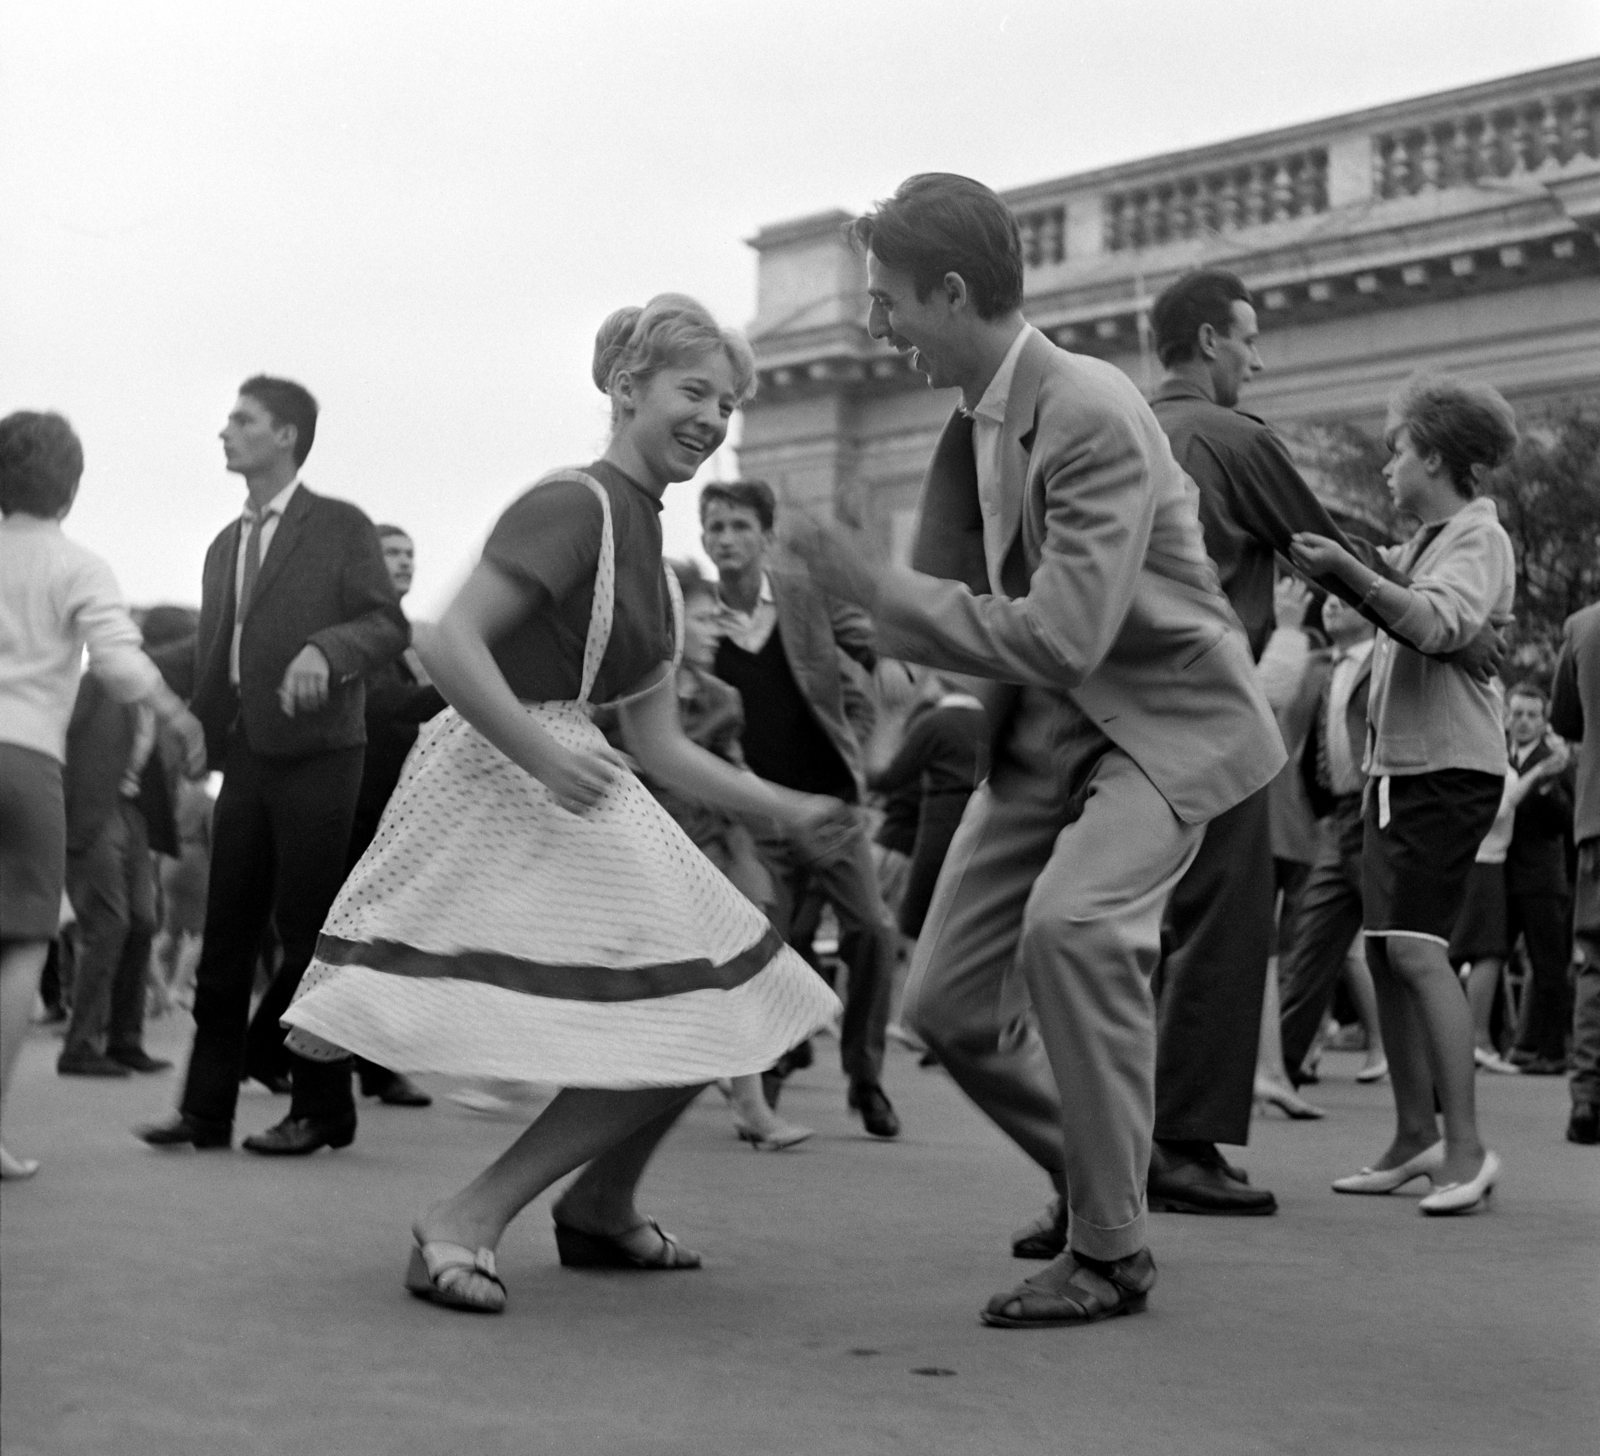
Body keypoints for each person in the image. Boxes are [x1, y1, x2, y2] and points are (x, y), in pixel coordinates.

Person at [786, 174, 1284, 1328]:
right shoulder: (986, 409)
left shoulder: (1090, 409)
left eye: (885, 302)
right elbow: (995, 616)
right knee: (949, 1005)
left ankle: (1109, 1249)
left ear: (951, 292)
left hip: (1158, 728)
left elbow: (1063, 634)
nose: (873, 329)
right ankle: (1100, 1180)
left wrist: (877, 586)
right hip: (1045, 738)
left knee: (1071, 932)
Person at [280, 295, 843, 1314]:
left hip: (570, 776)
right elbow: (450, 642)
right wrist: (541, 754)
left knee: (715, 1006)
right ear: (627, 389)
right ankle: (466, 1217)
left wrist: (783, 805)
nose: (714, 417)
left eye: (727, 401)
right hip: (505, 778)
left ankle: (602, 1204)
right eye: (693, 391)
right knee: (702, 1002)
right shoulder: (574, 504)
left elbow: (663, 740)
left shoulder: (663, 570)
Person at [1141, 269, 1505, 1217]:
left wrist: (1421, 606)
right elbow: (1327, 543)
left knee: (1400, 948)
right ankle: (1192, 1141)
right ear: (1213, 340)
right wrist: (1416, 603)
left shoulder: (1125, 429)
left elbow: (1418, 609)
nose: (1259, 359)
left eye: (1398, 451)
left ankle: (1448, 1142)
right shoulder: (1232, 437)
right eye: (1250, 340)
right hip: (1226, 712)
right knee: (1246, 931)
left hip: (1122, 712)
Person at [136, 376, 410, 1156]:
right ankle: (204, 1111)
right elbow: (221, 655)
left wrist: (327, 649)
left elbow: (385, 623)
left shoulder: (339, 526)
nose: (226, 431)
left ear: (285, 435)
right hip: (249, 756)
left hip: (324, 752)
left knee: (308, 936)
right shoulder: (225, 544)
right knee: (224, 938)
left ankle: (324, 1108)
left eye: (242, 419)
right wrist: (189, 717)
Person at [1291, 371, 1518, 1215]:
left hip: (1446, 770)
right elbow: (1380, 583)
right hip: (1405, 771)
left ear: (1434, 454)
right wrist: (1339, 560)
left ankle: (1464, 1148)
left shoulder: (1475, 537)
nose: (1387, 466)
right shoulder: (1428, 541)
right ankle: (1413, 1134)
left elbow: (1435, 623)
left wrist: (1354, 576)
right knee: (1388, 947)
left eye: (1395, 450)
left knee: (1419, 950)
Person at [0, 411, 207, 1179]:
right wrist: (177, 713)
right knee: (22, 941)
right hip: (27, 761)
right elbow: (119, 665)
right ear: (73, 488)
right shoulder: (78, 564)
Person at [701, 480, 902, 1138]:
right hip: (756, 813)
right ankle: (768, 1068)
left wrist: (891, 671)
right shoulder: (696, 620)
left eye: (738, 526)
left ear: (764, 536)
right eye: (715, 527)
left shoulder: (802, 594)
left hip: (828, 803)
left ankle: (865, 1076)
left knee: (871, 930)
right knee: (766, 943)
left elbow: (868, 641)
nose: (726, 539)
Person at [57, 605, 198, 1077]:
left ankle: (125, 1040)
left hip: (137, 818)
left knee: (142, 922)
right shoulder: (98, 683)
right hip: (95, 814)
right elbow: (63, 741)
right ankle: (80, 1046)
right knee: (110, 924)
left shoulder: (163, 701)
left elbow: (176, 766)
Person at [346, 524, 446, 1109]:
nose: (405, 562)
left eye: (411, 553)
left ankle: (259, 1048)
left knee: (361, 935)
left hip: (395, 808)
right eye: (391, 553)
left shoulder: (404, 635)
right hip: (357, 801)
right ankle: (378, 1072)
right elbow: (384, 706)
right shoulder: (366, 632)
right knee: (367, 937)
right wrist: (461, 687)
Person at [1277, 596, 1381, 1080]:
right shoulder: (1318, 666)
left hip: (1379, 815)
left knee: (1401, 947)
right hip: (1334, 820)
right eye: (1328, 595)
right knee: (1309, 947)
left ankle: (1432, 1072)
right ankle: (1281, 1064)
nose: (1332, 602)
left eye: (1345, 593)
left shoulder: (1388, 659)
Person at [866, 666, 988, 942]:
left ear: (936, 681)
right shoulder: (989, 721)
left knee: (916, 917)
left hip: (937, 824)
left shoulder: (936, 722)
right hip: (981, 822)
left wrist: (866, 765)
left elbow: (889, 778)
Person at [1500, 683, 1575, 1074]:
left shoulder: (1556, 762)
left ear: (1544, 721)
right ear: (1506, 717)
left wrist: (1547, 788)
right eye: (1517, 714)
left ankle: (1553, 1053)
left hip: (1542, 880)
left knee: (1548, 967)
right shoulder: (1501, 756)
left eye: (1532, 715)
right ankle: (1498, 1044)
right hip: (1500, 875)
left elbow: (1568, 821)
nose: (1523, 721)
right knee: (1488, 957)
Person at [1552, 602, 1599, 1144]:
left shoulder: (1584, 626)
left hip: (1596, 817)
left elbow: (1565, 719)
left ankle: (1587, 1097)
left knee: (1595, 960)